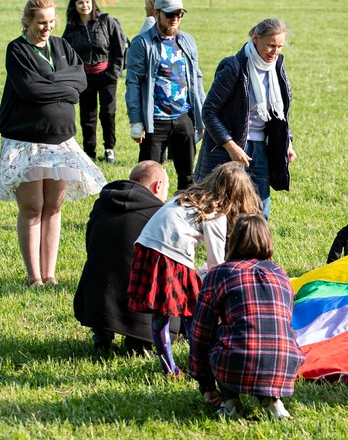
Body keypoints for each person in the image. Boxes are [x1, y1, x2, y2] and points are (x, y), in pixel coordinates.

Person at [0, 0, 106, 287]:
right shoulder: (17, 50)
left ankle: (50, 273)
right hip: (26, 141)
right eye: (40, 23)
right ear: (27, 22)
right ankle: (34, 276)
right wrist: (64, 86)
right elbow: (30, 90)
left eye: (50, 22)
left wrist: (56, 84)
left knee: (54, 207)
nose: (46, 28)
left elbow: (80, 83)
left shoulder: (61, 45)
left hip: (62, 140)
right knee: (32, 208)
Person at [126, 163, 262, 376]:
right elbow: (216, 265)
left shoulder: (185, 199)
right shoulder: (214, 214)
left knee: (161, 315)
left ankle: (169, 368)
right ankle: (201, 365)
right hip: (171, 256)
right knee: (194, 313)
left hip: (146, 248)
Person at [189, 214, 304, 420]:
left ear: (232, 239)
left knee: (221, 334)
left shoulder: (220, 273)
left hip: (235, 363)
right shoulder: (281, 273)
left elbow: (200, 332)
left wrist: (205, 384)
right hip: (284, 364)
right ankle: (273, 401)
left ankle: (231, 402)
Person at [194, 18, 296, 218]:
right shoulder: (234, 67)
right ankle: (224, 248)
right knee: (223, 210)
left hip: (262, 150)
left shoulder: (278, 69)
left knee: (260, 210)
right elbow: (209, 111)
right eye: (270, 45)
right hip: (230, 148)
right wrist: (231, 147)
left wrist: (287, 142)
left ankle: (254, 246)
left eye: (279, 46)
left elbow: (281, 115)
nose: (275, 52)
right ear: (255, 38)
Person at [74, 160, 179, 353]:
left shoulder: (102, 204)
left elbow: (90, 244)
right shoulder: (158, 214)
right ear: (158, 186)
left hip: (95, 298)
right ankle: (140, 339)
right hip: (139, 301)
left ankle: (102, 334)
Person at [125, 0, 206, 190]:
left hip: (183, 117)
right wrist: (136, 120)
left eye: (179, 14)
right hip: (155, 120)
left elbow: (196, 78)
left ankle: (183, 218)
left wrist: (201, 116)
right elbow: (133, 82)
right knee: (147, 179)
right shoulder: (142, 43)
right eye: (170, 14)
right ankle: (144, 218)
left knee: (188, 178)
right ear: (156, 13)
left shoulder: (187, 41)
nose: (175, 19)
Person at [63, 0, 127, 163]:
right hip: (84, 78)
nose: (85, 6)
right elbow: (66, 53)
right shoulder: (71, 28)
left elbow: (118, 47)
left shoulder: (106, 22)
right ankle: (89, 152)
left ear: (93, 3)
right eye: (80, 3)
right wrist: (72, 77)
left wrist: (114, 71)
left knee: (108, 113)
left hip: (107, 75)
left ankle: (109, 149)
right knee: (87, 116)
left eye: (87, 2)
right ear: (74, 6)